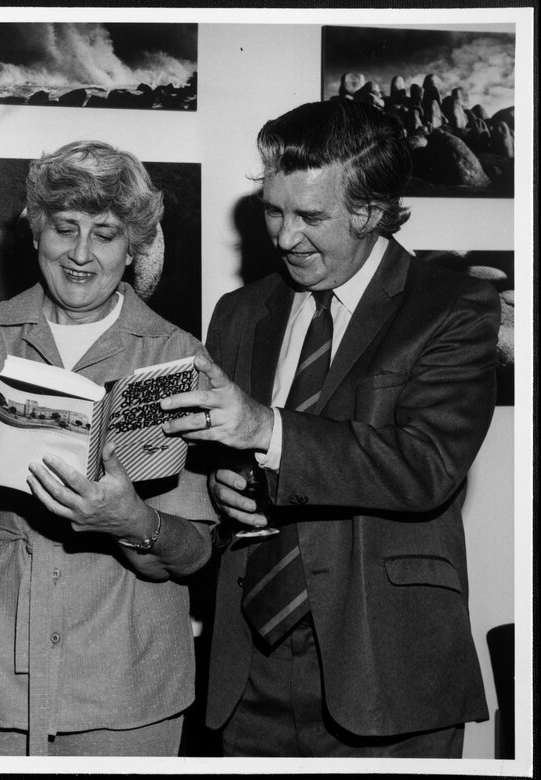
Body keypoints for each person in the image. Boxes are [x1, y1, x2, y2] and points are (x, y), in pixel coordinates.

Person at [160, 99, 499, 757]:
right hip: (247, 671)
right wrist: (224, 488)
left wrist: (265, 428)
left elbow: (424, 465)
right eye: (273, 211)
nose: (285, 238)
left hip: (387, 674)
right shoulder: (239, 312)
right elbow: (217, 466)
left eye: (311, 217)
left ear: (371, 212)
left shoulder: (453, 307)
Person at [0, 141, 215, 756]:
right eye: (65, 229)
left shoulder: (175, 356)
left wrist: (133, 520)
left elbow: (195, 551)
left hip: (126, 681)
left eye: (106, 235)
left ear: (133, 246)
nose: (82, 254)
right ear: (36, 233)